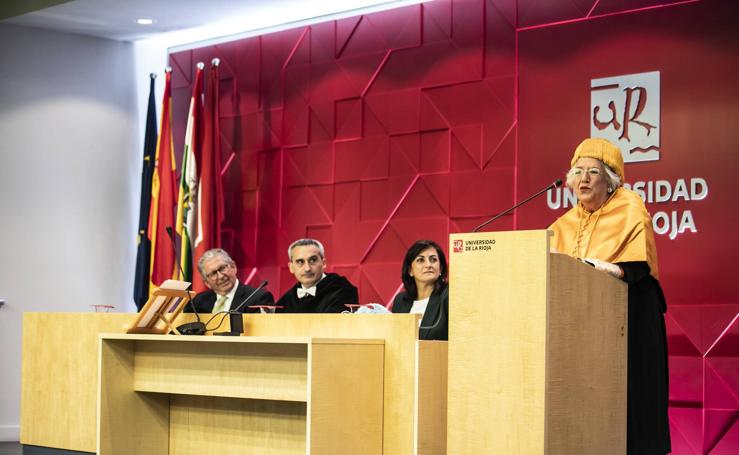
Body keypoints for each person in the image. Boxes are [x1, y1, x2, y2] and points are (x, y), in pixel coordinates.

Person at [548, 138, 670, 455]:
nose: (584, 179)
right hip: (580, 328)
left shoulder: (630, 207)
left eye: (593, 172)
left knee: (631, 413)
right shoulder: (562, 225)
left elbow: (634, 267)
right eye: (578, 172)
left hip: (630, 322)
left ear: (610, 180)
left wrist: (603, 268)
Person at [275, 238, 358, 313]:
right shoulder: (287, 299)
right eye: (300, 262)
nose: (307, 268)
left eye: (313, 260)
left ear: (323, 263)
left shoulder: (342, 290)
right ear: (291, 267)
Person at [391, 240, 449, 341]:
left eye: (433, 260)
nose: (428, 265)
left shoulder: (449, 296)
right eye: (421, 260)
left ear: (440, 269)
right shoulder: (400, 300)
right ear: (410, 270)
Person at [186, 248, 274, 313]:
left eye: (222, 268)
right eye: (213, 273)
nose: (220, 276)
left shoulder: (258, 298)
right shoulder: (197, 302)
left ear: (233, 267)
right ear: (207, 282)